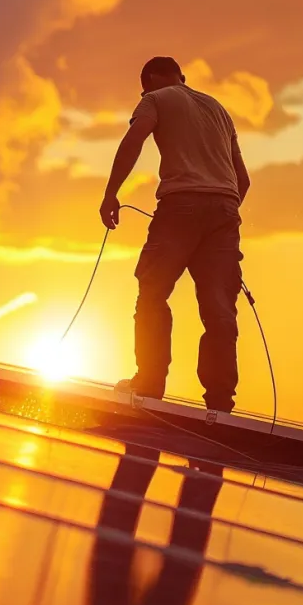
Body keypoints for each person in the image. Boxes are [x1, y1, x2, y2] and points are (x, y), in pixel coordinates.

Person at [100, 56, 250, 415]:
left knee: (152, 292)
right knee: (219, 309)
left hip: (181, 205)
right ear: (182, 77)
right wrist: (220, 213)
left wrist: (111, 194)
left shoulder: (155, 98)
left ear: (149, 82)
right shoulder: (218, 109)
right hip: (226, 208)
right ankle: (219, 402)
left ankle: (149, 384)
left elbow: (134, 139)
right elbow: (243, 180)